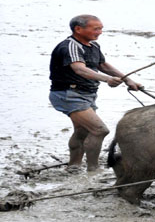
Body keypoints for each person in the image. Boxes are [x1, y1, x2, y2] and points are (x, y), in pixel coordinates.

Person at [48, 14, 142, 173]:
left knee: (82, 130)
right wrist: (107, 80)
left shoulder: (93, 46)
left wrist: (127, 80)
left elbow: (103, 65)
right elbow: (79, 69)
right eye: (96, 29)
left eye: (101, 29)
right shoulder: (70, 46)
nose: (100, 32)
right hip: (69, 94)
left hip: (87, 94)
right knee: (99, 130)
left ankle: (74, 166)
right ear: (78, 29)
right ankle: (93, 169)